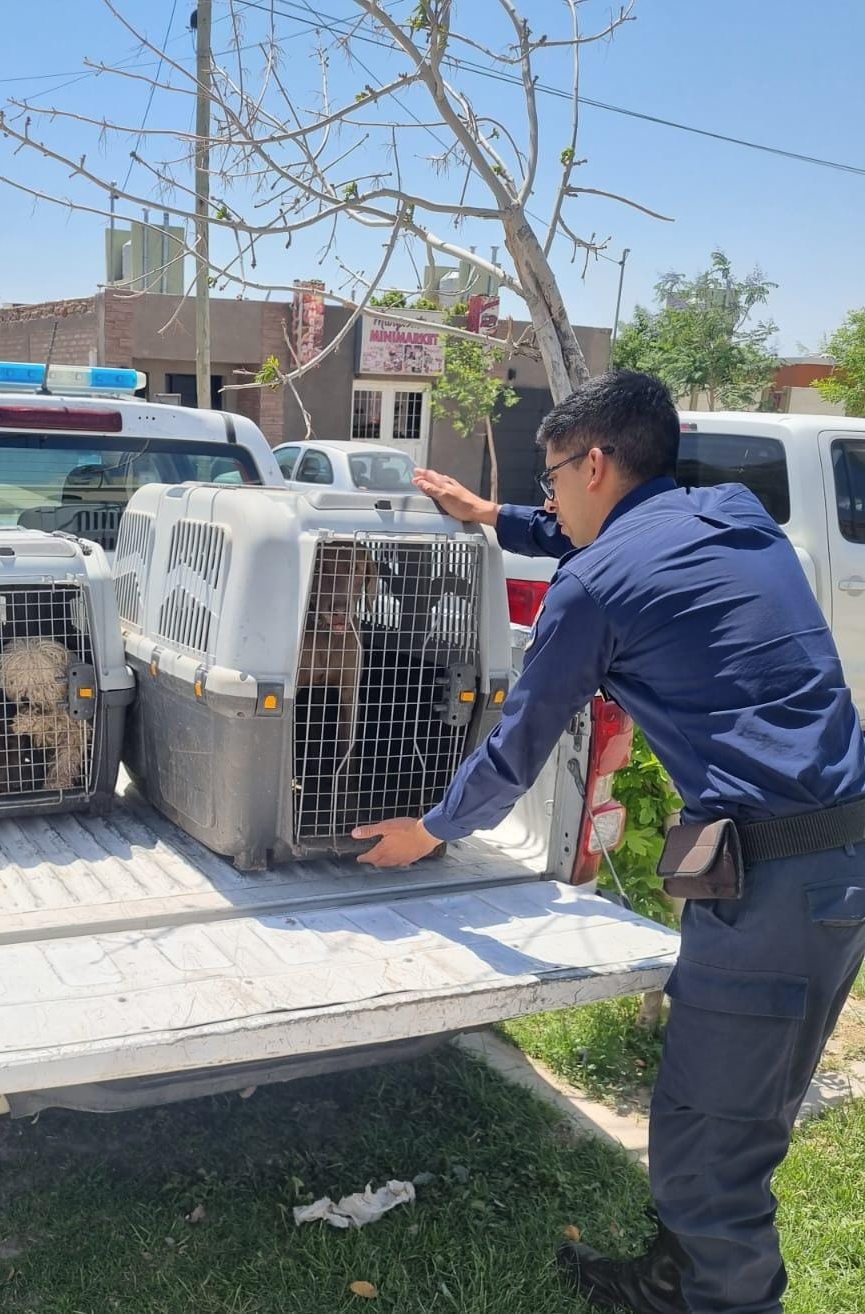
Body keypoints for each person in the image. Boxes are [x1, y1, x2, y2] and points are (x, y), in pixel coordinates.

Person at [354, 370, 865, 1314]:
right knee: (744, 1108)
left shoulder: (594, 587)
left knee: (709, 1140)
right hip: (840, 859)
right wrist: (495, 515)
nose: (548, 499)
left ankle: (722, 1297)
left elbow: (518, 745)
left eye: (551, 479)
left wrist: (427, 832)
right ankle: (678, 1279)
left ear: (595, 462)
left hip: (771, 884)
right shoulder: (733, 514)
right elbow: (604, 535)